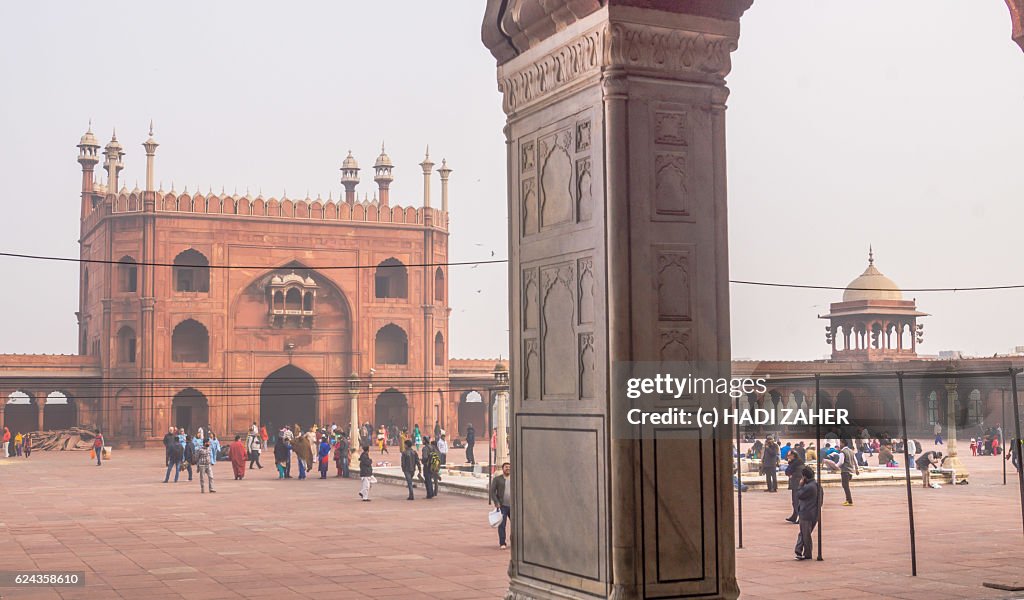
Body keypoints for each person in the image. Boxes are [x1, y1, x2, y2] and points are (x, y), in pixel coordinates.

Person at [794, 466, 821, 561]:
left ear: (804, 477)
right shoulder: (817, 485)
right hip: (814, 513)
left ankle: (807, 553)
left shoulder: (809, 487)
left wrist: (800, 485)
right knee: (804, 533)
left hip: (806, 513)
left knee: (805, 535)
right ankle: (798, 549)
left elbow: (799, 495)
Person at [489, 462, 512, 549]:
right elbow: (492, 491)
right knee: (502, 525)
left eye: (509, 467)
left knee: (516, 525)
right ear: (503, 469)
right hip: (502, 506)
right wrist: (496, 502)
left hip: (513, 506)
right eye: (506, 467)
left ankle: (514, 541)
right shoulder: (498, 479)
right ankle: (502, 542)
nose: (508, 469)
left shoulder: (515, 479)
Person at [784, 451, 805, 523]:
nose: (788, 457)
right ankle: (795, 515)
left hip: (797, 483)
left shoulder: (795, 463)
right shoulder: (797, 462)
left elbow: (787, 471)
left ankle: (800, 517)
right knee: (795, 501)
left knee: (796, 501)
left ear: (793, 455)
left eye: (789, 455)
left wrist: (790, 474)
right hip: (797, 483)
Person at [839, 439, 858, 506]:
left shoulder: (842, 452)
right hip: (850, 471)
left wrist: (836, 466)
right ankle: (848, 500)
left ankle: (849, 500)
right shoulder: (851, 451)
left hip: (845, 471)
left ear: (843, 443)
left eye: (840, 443)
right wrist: (856, 469)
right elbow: (855, 461)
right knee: (846, 486)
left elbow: (841, 462)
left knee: (845, 486)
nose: (840, 444)